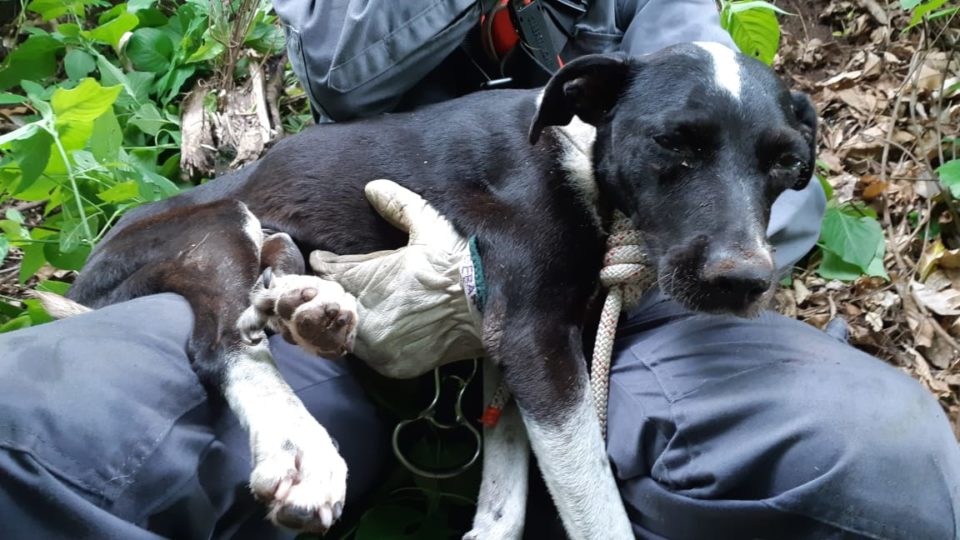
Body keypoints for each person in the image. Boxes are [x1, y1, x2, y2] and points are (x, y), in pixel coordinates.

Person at [0, 1, 957, 539]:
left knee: (880, 454)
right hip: (307, 314)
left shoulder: (664, 44)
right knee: (50, 422)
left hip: (620, 332)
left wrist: (652, 244)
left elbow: (761, 186)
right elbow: (342, 68)